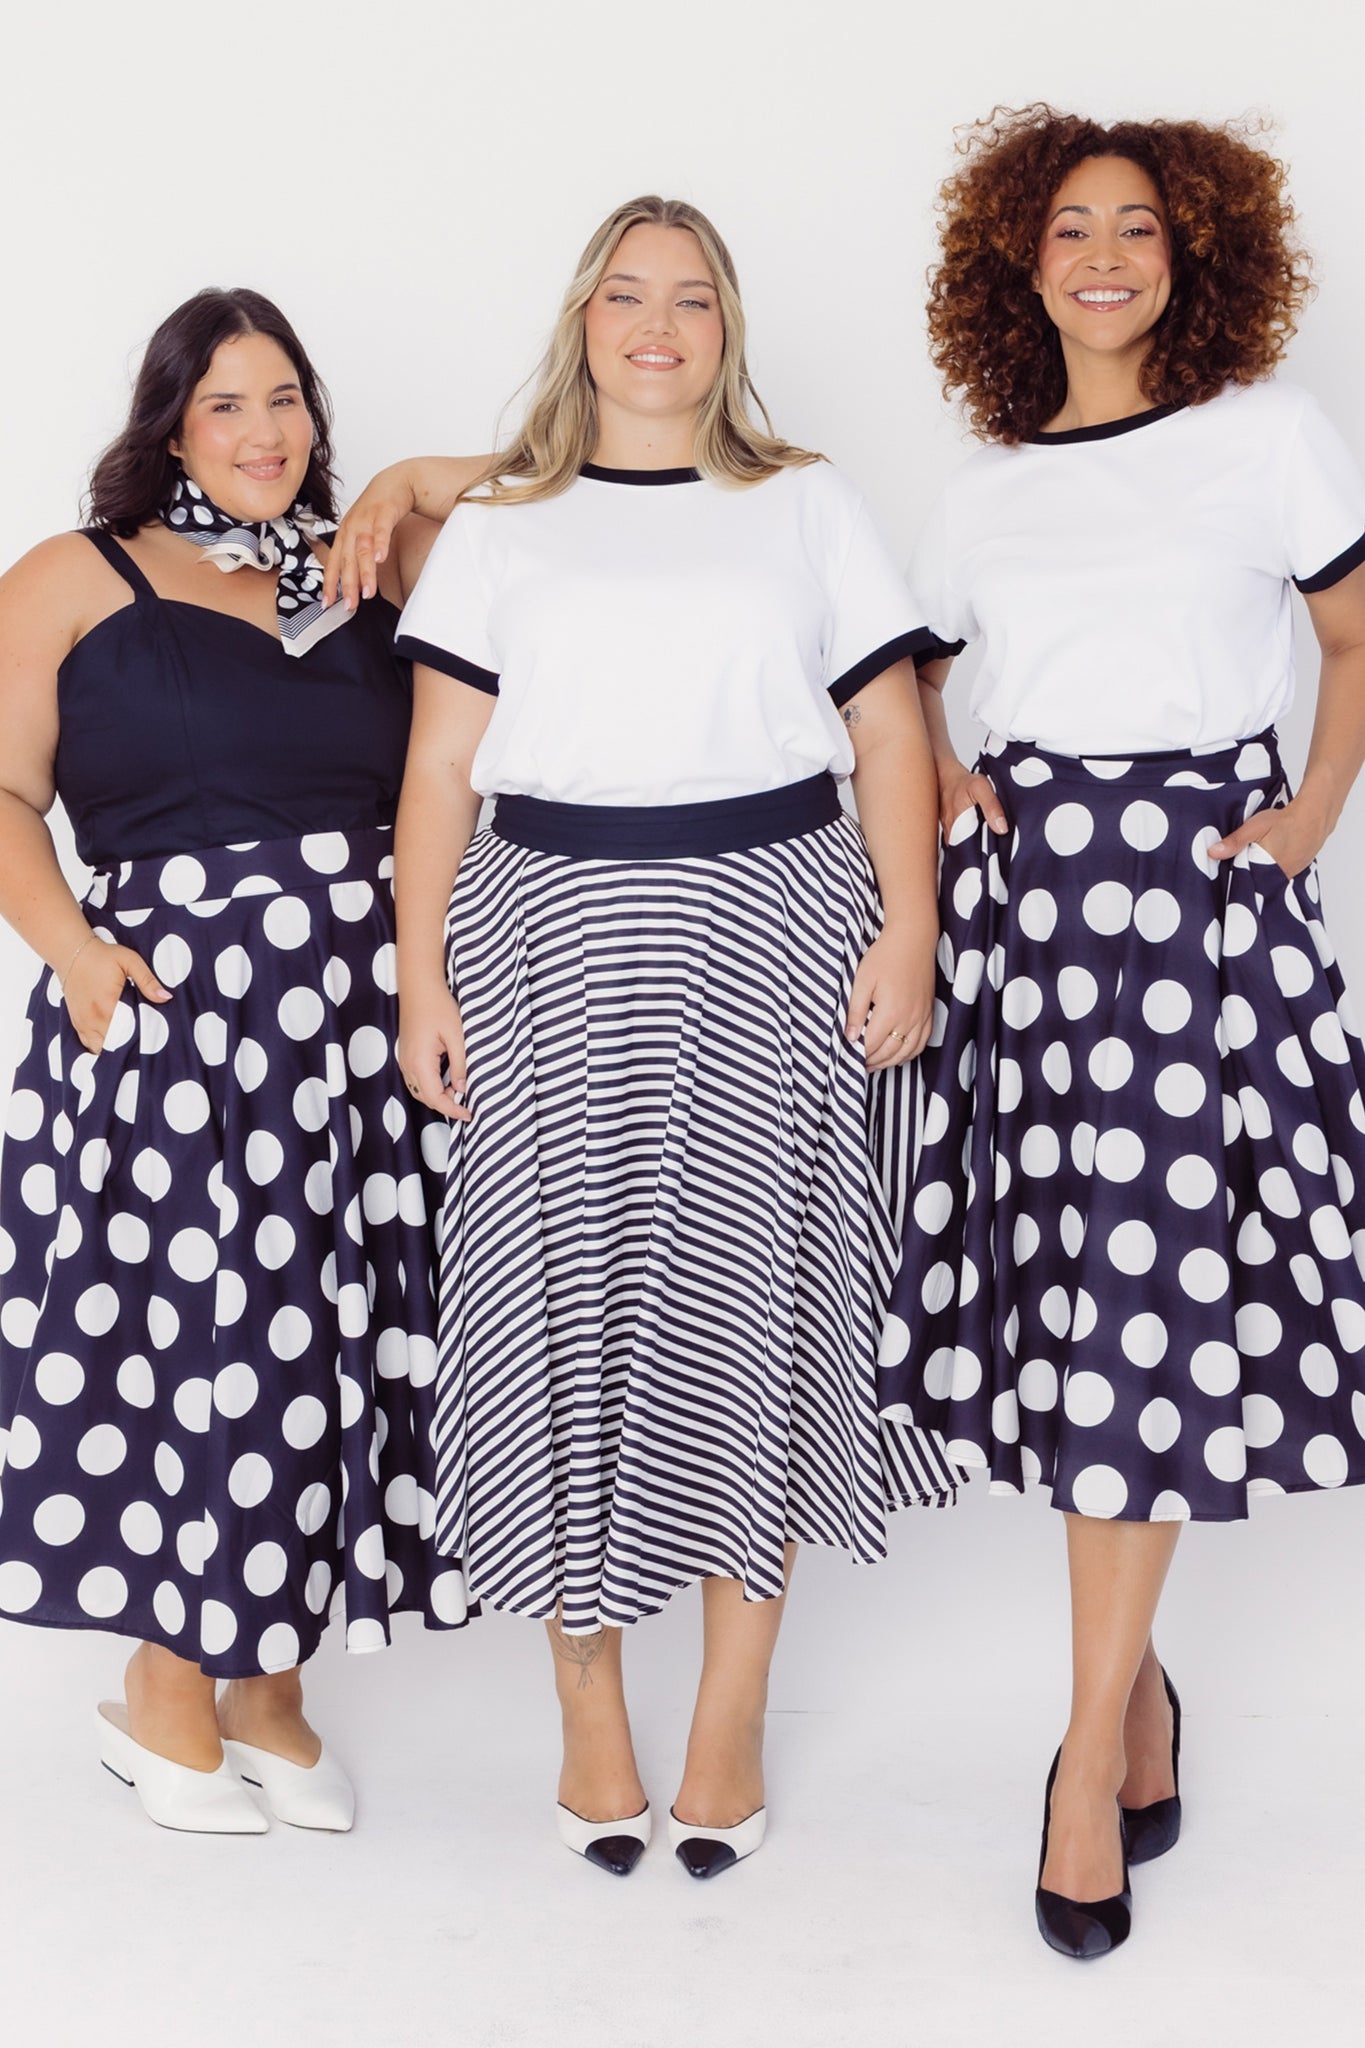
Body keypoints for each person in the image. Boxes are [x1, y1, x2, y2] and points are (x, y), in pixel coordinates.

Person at [347, 193, 958, 1879]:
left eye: (691, 298)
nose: (658, 326)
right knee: (558, 1313)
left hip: (777, 927)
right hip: (543, 937)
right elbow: (437, 771)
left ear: (725, 328)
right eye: (627, 295)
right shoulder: (505, 525)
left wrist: (908, 924)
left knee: (759, 1314)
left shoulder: (805, 501)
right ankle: (588, 1712)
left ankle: (728, 1716)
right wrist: (418, 978)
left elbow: (886, 735)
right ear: (583, 320)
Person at [881, 107, 1365, 1957]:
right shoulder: (985, 483)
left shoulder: (1266, 435)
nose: (1103, 255)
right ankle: (1139, 1689)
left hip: (1197, 915)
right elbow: (912, 674)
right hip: (1034, 928)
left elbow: (1353, 634)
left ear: (1192, 255)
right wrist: (945, 766)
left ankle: (1085, 1760)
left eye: (1138, 226)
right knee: (1090, 1319)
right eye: (1069, 227)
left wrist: (1308, 814)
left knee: (1147, 1317)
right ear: (1017, 264)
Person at [0, 288, 473, 1835]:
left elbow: (568, 492)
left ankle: (268, 1686)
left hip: (357, 1028)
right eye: (224, 404)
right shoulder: (75, 575)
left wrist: (410, 483)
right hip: (174, 1029)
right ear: (170, 427)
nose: (263, 434)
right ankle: (162, 1685)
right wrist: (77, 955)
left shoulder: (366, 568)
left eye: (285, 401)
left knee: (325, 1343)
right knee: (198, 1344)